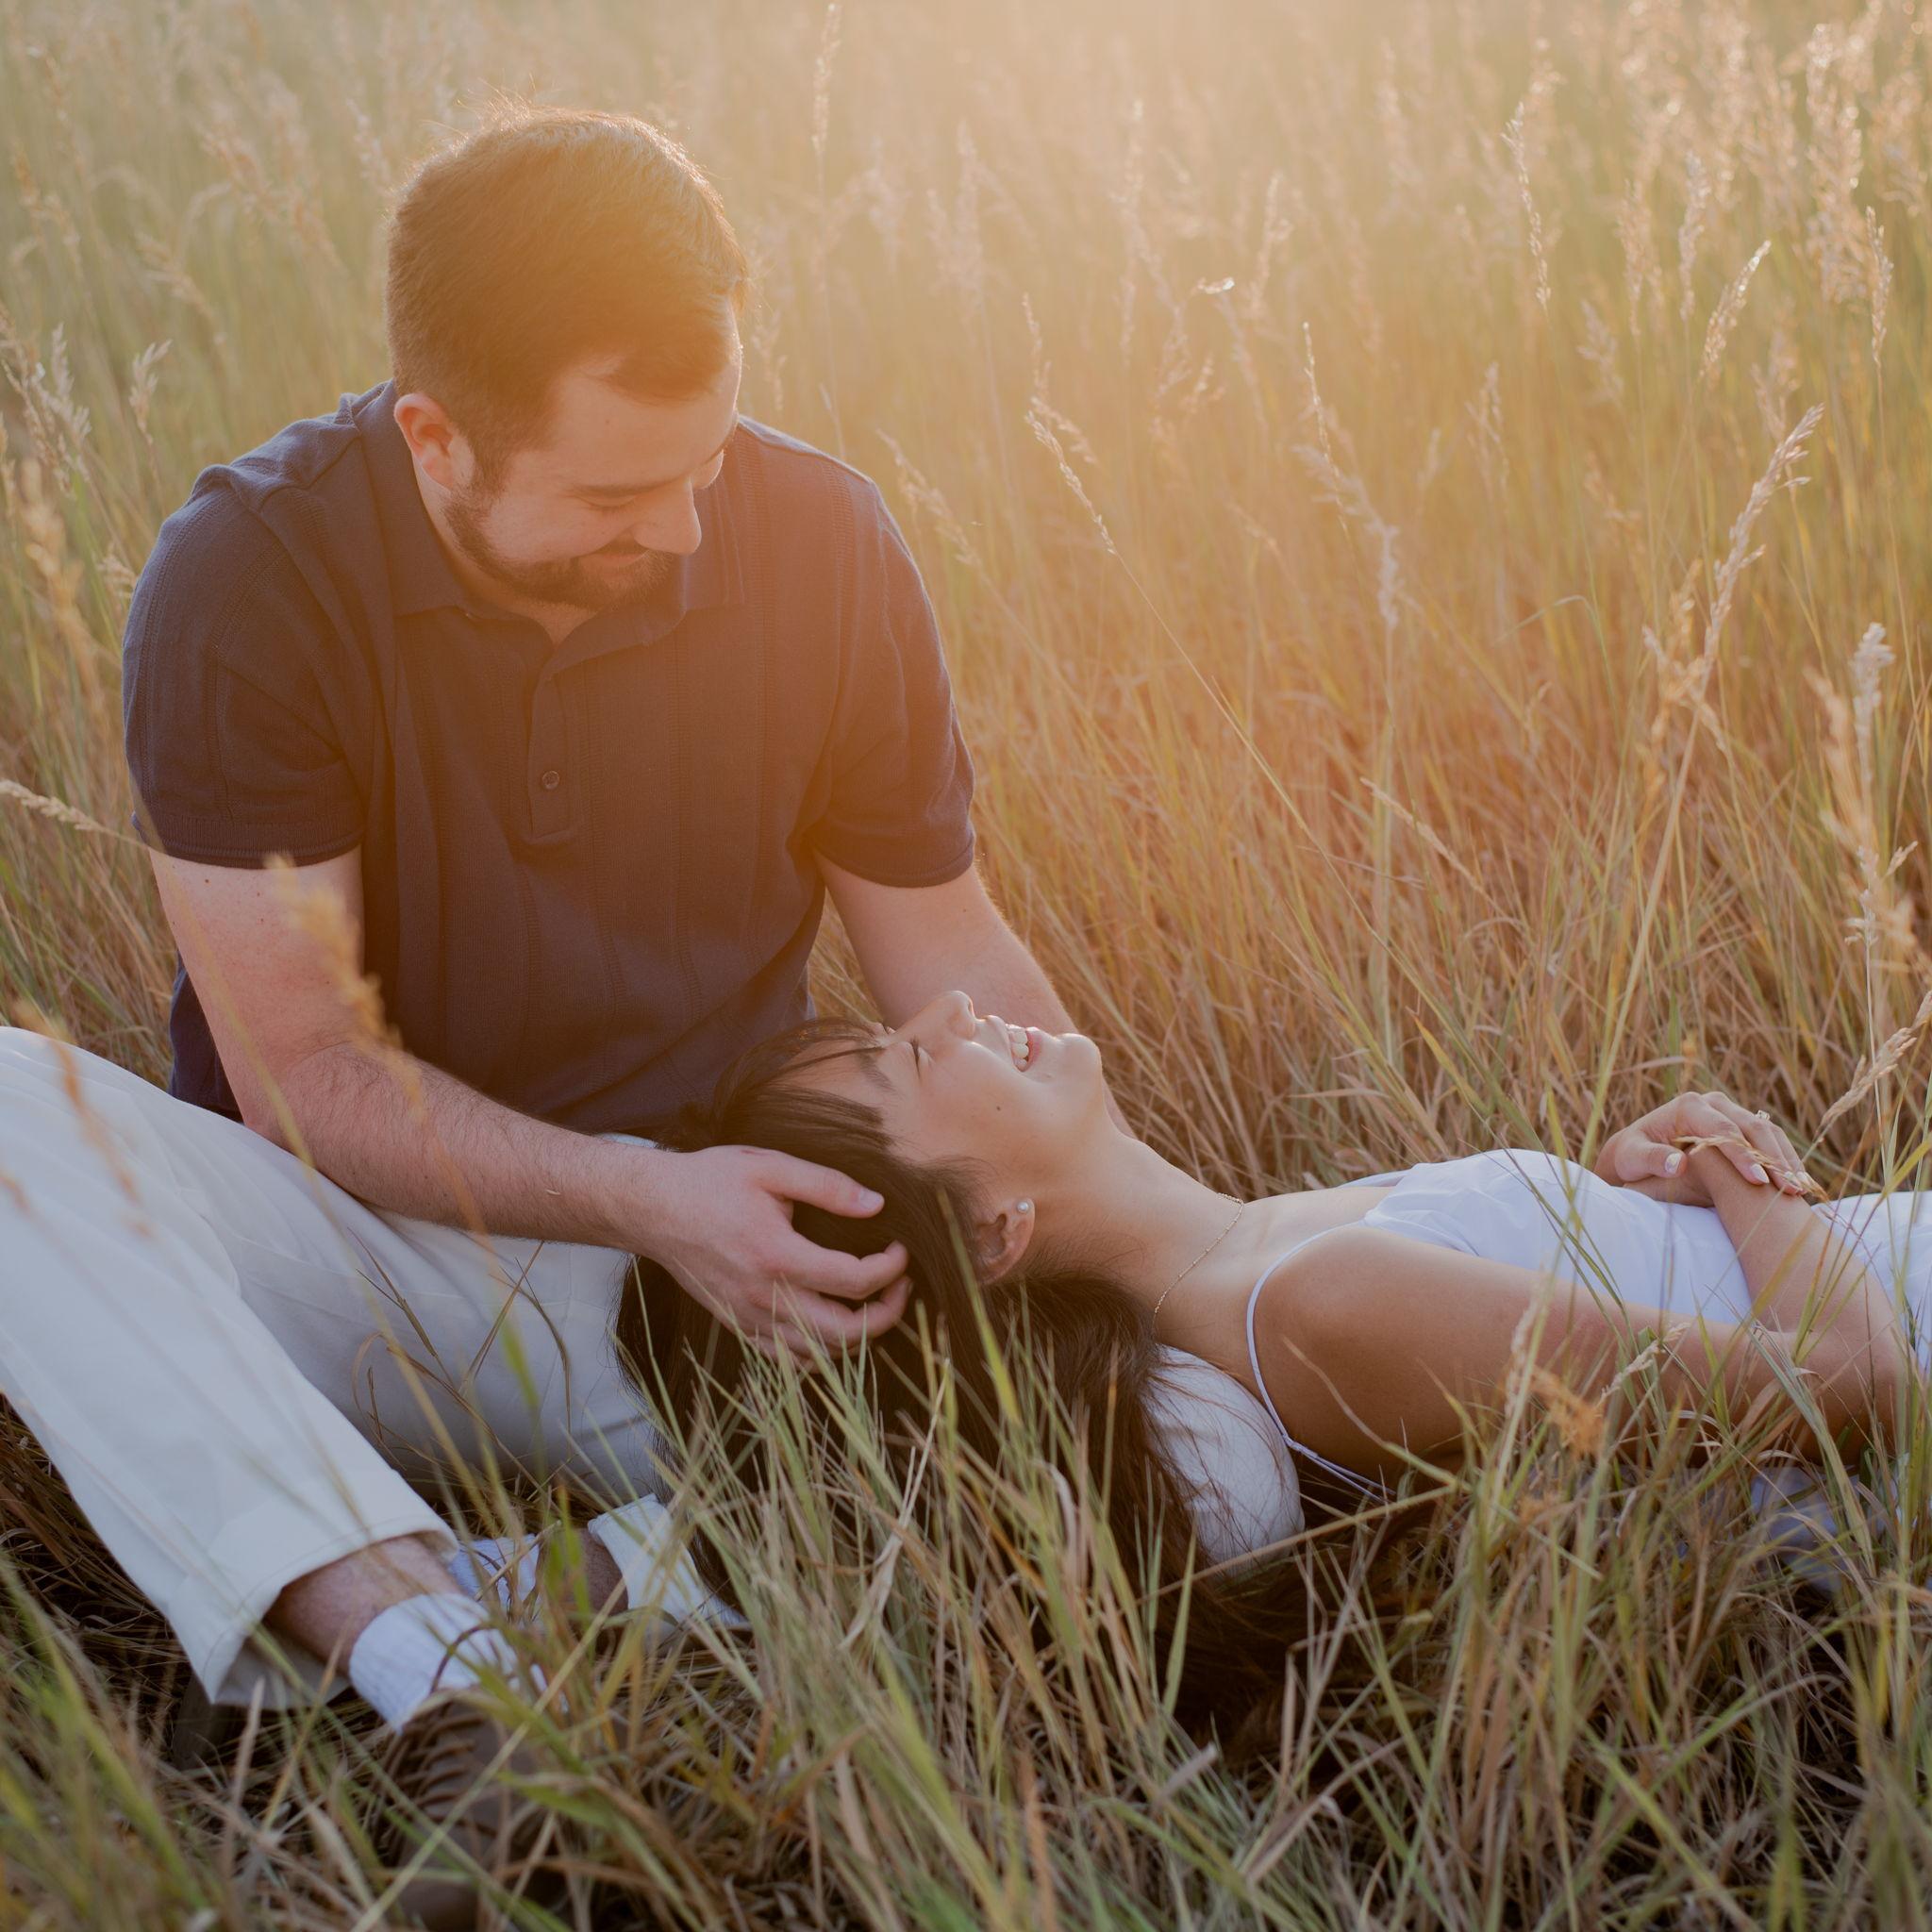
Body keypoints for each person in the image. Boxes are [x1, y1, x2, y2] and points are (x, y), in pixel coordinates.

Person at [0, 106, 1110, 1926]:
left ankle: (560, 1576)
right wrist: (635, 1191)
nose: (679, 531)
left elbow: (953, 952)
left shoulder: (818, 539)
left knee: (1192, 1453)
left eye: (705, 463)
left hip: (731, 1287)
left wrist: (1088, 1203)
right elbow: (307, 1079)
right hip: (363, 1264)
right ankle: (447, 1675)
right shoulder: (250, 581)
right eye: (611, 497)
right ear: (434, 435)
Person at [611, 991, 1929, 1723]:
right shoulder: (1311, 1306)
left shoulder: (1270, 1254)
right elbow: (1860, 1388)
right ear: (988, 1232)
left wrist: (1621, 1199)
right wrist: (1735, 1168)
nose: (951, 1010)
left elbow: (1584, 1324)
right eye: (908, 1060)